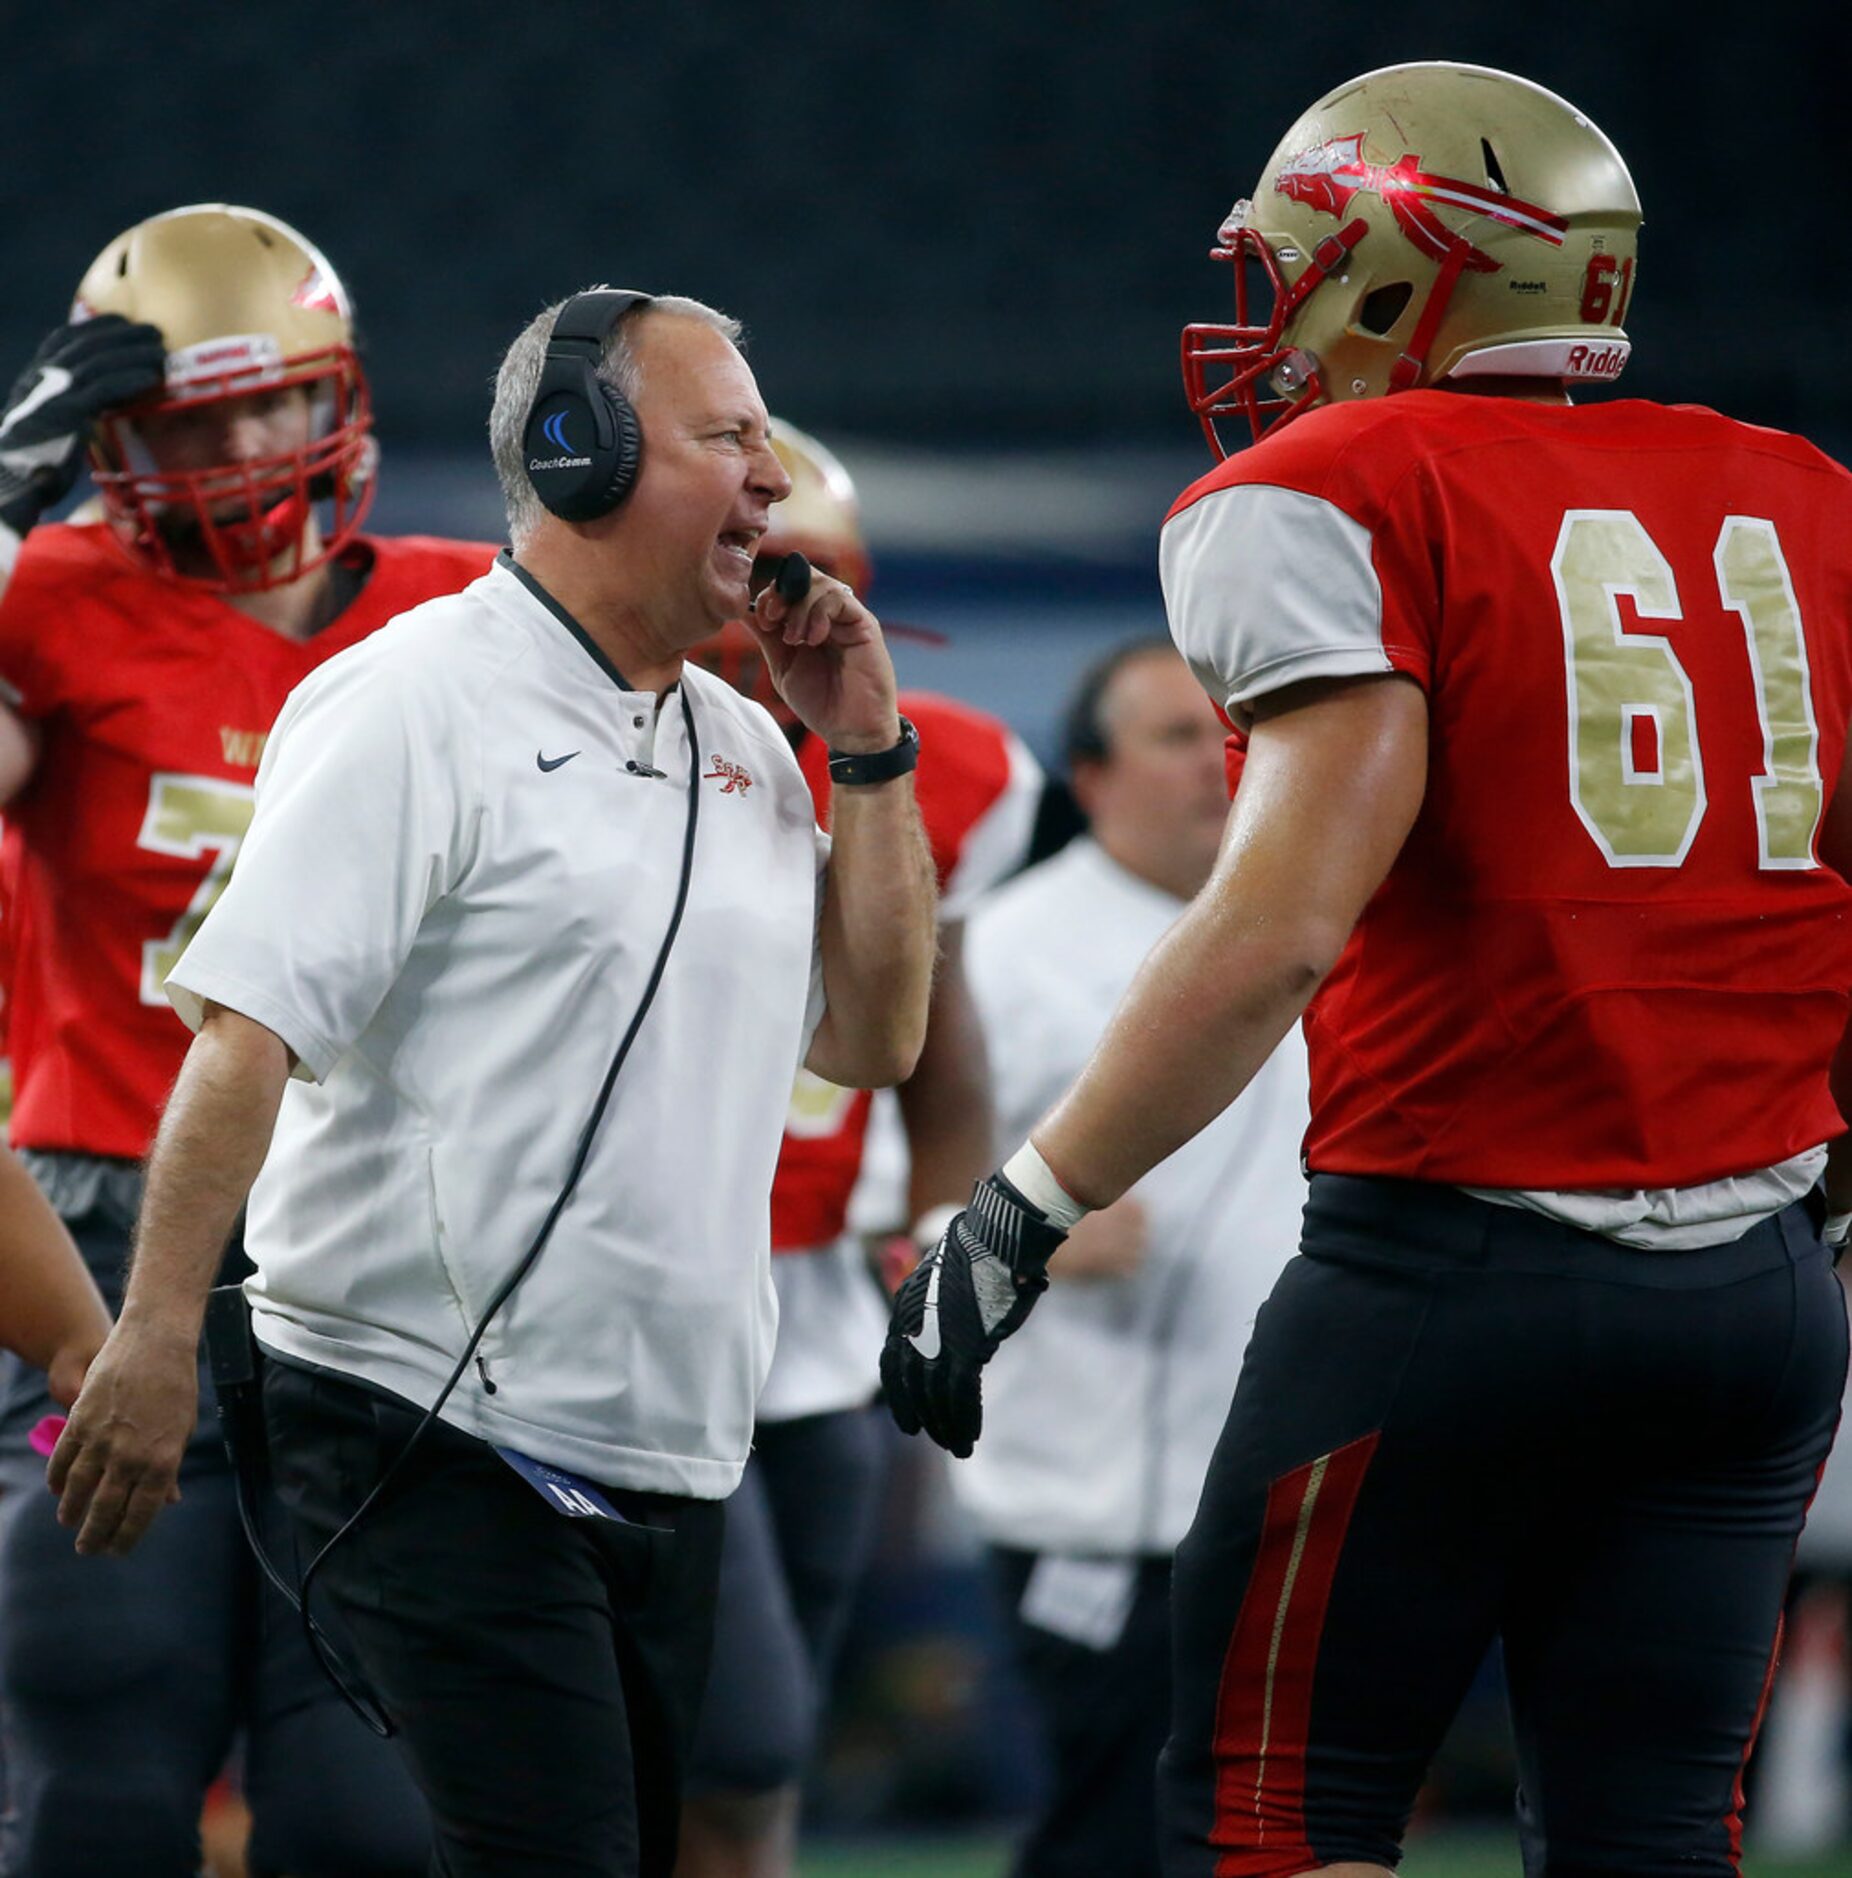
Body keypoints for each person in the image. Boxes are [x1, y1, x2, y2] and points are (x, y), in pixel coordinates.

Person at [882, 60, 1852, 1878]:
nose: (1283, 317)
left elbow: (1276, 928)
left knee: (1273, 1809)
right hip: (1756, 1295)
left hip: (1455, 1265)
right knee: (1654, 1823)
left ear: (1413, 272)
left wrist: (1016, 1209)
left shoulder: (1339, 480)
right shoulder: (1795, 490)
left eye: (1308, 265)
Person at [49, 286, 938, 1878]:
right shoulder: (414, 700)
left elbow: (872, 1037)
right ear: (580, 455)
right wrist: (157, 1329)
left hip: (662, 1447)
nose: (769, 483)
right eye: (724, 439)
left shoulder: (738, 736)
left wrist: (865, 755)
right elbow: (245, 1030)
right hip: (416, 1420)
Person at [0, 202, 495, 1876]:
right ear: (111, 436)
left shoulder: (465, 613)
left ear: (330, 396)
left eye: (261, 403)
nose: (231, 448)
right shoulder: (53, 592)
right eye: (182, 419)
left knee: (369, 1800)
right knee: (103, 1746)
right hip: (101, 1242)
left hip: (370, 1242)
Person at [677, 419, 1041, 1878]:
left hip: (814, 1309)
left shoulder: (936, 770)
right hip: (632, 1300)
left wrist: (949, 1218)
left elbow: (939, 1042)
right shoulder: (591, 750)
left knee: (763, 1749)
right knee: (736, 1724)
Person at [952, 638, 1306, 1878]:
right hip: (1097, 1501)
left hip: (1299, 1488)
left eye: (1231, 728)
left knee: (1286, 1837)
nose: (1218, 760)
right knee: (1108, 1836)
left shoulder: (1327, 919)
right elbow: (891, 1194)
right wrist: (1020, 1229)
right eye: (1172, 736)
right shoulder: (1001, 947)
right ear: (1090, 777)